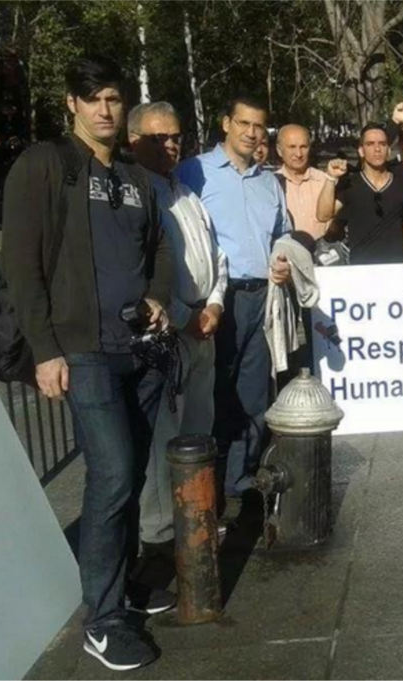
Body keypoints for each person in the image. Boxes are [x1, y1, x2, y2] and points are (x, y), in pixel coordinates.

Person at [2, 55, 175, 671]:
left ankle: (122, 585)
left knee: (126, 476)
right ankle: (101, 621)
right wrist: (46, 350)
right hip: (83, 351)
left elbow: (158, 244)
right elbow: (22, 265)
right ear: (71, 103)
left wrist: (156, 293)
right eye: (93, 98)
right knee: (114, 476)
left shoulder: (133, 176)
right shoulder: (44, 165)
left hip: (140, 351)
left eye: (113, 98)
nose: (105, 109)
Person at [175, 96, 293, 501]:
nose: (251, 133)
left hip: (262, 297)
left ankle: (239, 481)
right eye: (243, 123)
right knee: (210, 395)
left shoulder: (269, 182)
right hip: (216, 302)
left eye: (259, 126)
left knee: (254, 393)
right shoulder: (194, 172)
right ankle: (205, 484)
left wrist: (283, 258)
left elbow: (284, 231)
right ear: (226, 123)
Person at [127, 101, 227, 552]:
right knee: (165, 436)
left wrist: (217, 305)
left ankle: (197, 514)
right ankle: (163, 532)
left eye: (175, 136)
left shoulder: (186, 194)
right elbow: (141, 271)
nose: (171, 144)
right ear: (134, 141)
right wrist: (188, 318)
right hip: (171, 332)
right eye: (158, 138)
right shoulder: (134, 194)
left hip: (204, 324)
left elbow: (216, 256)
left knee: (199, 426)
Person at [316, 122, 403, 270]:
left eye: (382, 144)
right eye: (370, 144)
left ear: (388, 150)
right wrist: (330, 178)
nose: (377, 149)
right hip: (361, 269)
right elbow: (323, 215)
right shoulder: (350, 184)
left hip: (398, 268)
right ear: (361, 151)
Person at [276, 123, 331, 240]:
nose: (299, 154)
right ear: (279, 150)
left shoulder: (325, 181)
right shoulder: (272, 184)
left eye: (303, 147)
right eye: (292, 147)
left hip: (322, 254)